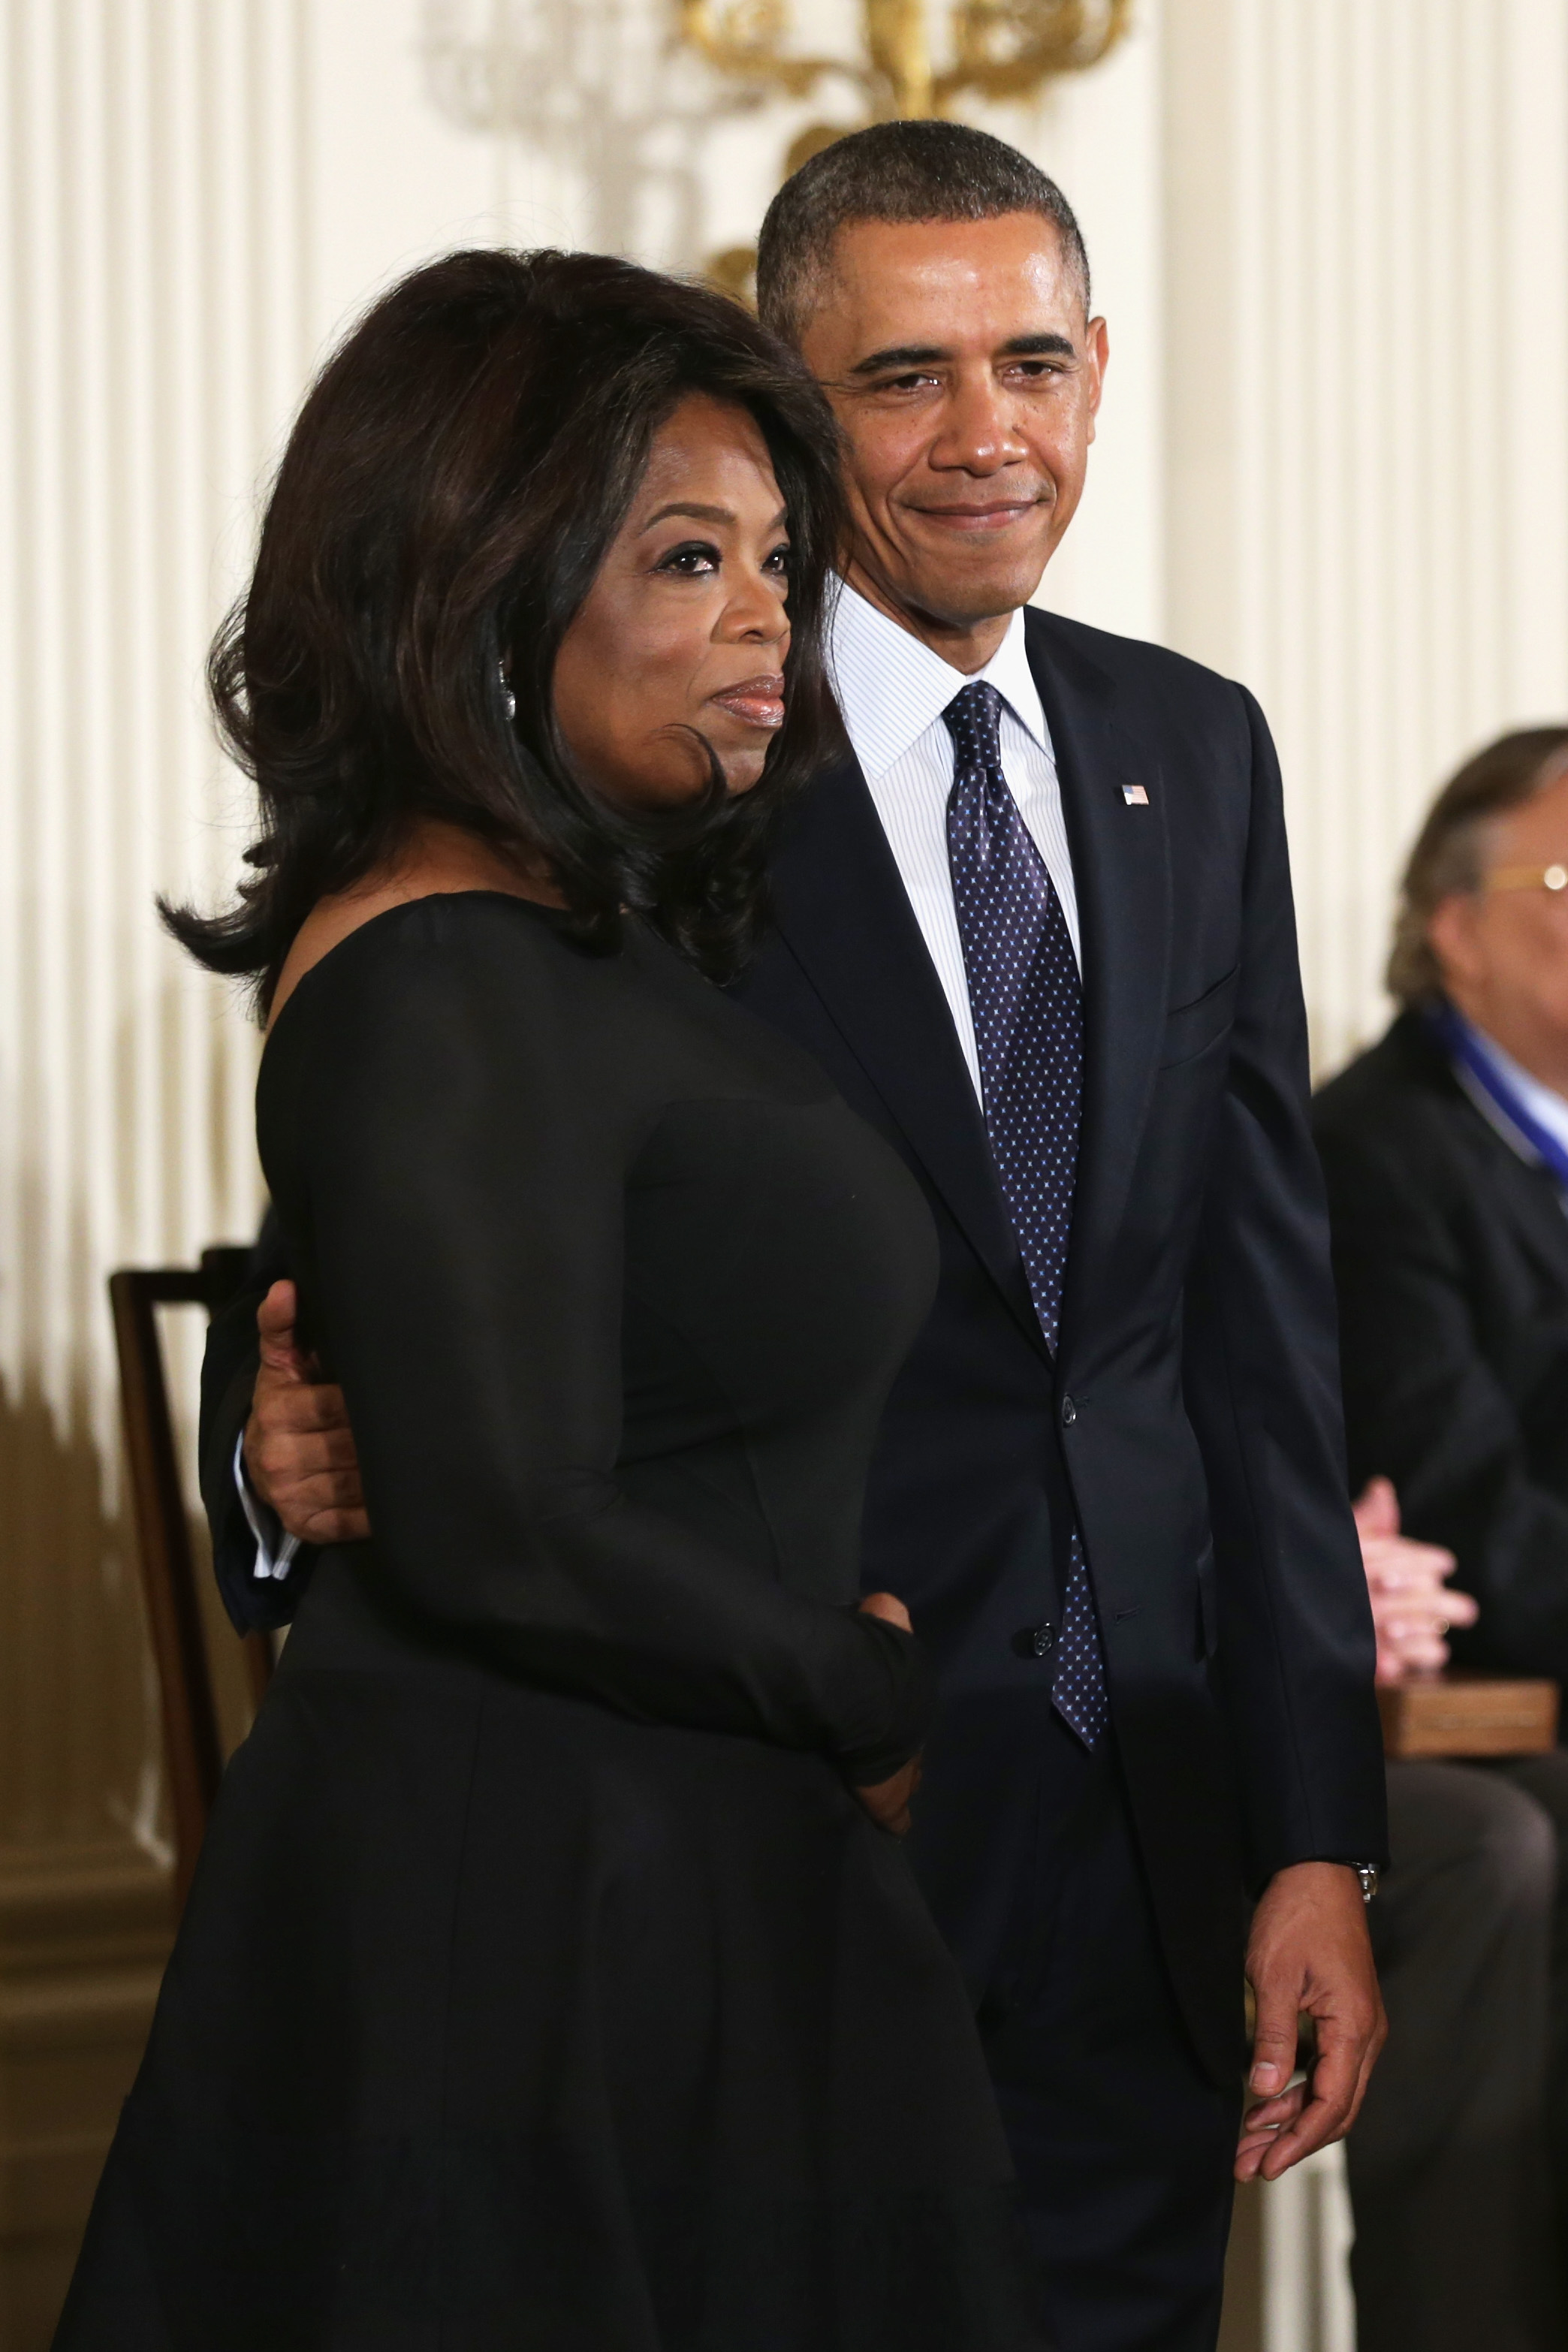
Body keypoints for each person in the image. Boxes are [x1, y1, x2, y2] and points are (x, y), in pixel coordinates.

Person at [204, 126, 1390, 2351]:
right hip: (779, 1796)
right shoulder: (656, 726)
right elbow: (391, 1193)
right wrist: (270, 1454)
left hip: (1147, 1818)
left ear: (1102, 373)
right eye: (903, 379)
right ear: (786, 385)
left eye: (1029, 362)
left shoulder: (1191, 749)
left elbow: (1257, 1322)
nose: (984, 436)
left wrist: (1317, 1827)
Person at [56, 249, 1049, 2350]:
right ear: (479, 579)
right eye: (691, 556)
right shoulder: (443, 960)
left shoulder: (613, 920)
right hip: (549, 1913)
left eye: (776, 556)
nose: (769, 612)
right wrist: (862, 1690)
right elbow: (473, 1476)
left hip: (718, 1855)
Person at [1314, 727, 1568, 2352]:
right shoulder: (1378, 1152)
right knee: (1517, 1853)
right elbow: (1470, 1528)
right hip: (1450, 1705)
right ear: (1453, 921)